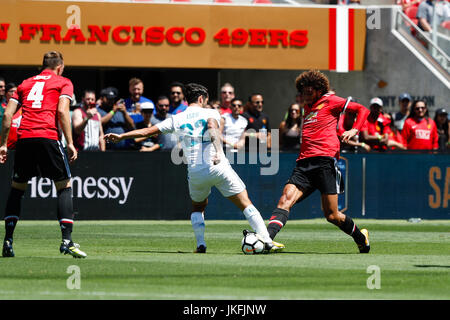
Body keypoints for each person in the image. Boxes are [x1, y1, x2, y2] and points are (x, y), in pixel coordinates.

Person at [104, 83, 284, 254]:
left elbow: (146, 132)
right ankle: (267, 241)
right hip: (217, 165)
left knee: (198, 207)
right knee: (245, 202)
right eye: (205, 100)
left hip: (196, 171)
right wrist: (218, 151)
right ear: (201, 99)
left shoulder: (176, 118)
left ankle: (201, 244)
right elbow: (213, 127)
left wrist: (121, 137)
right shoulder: (209, 113)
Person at [266, 70, 371, 254]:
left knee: (332, 216)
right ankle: (266, 240)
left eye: (309, 91)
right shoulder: (306, 109)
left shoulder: (331, 101)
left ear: (319, 90)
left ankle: (361, 238)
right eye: (302, 92)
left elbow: (363, 110)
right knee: (284, 201)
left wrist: (354, 130)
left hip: (324, 162)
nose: (304, 95)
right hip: (304, 163)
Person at [0, 51, 86, 258]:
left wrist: (3, 144)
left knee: (17, 188)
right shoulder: (63, 81)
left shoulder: (24, 84)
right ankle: (67, 241)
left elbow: (8, 114)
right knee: (64, 186)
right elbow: (62, 111)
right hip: (47, 136)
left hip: (24, 139)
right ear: (60, 67)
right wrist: (71, 143)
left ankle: (8, 241)